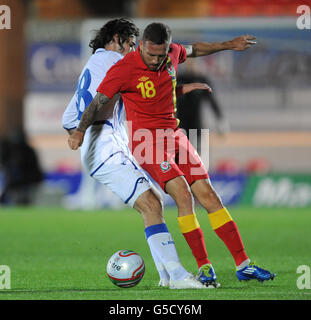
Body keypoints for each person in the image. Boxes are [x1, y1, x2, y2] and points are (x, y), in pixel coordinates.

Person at [69, 22, 276, 286]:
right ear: (141, 45)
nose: (156, 60)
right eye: (151, 54)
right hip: (147, 143)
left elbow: (196, 50)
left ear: (168, 47)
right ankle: (204, 267)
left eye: (161, 54)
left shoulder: (172, 54)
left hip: (175, 136)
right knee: (183, 194)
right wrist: (78, 132)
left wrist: (227, 45)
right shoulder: (123, 68)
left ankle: (244, 264)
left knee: (209, 195)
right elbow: (97, 101)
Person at [63, 18, 210, 289]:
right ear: (117, 39)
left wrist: (181, 89)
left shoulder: (98, 61)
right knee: (152, 203)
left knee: (153, 203)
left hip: (109, 142)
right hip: (103, 144)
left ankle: (168, 276)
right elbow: (95, 103)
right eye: (132, 45)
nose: (135, 52)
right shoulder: (115, 63)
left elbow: (71, 113)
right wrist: (80, 131)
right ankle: (177, 276)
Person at [0, 129, 43, 205]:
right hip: (15, 181)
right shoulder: (9, 150)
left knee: (24, 199)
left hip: (27, 181)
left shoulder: (28, 151)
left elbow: (33, 169)